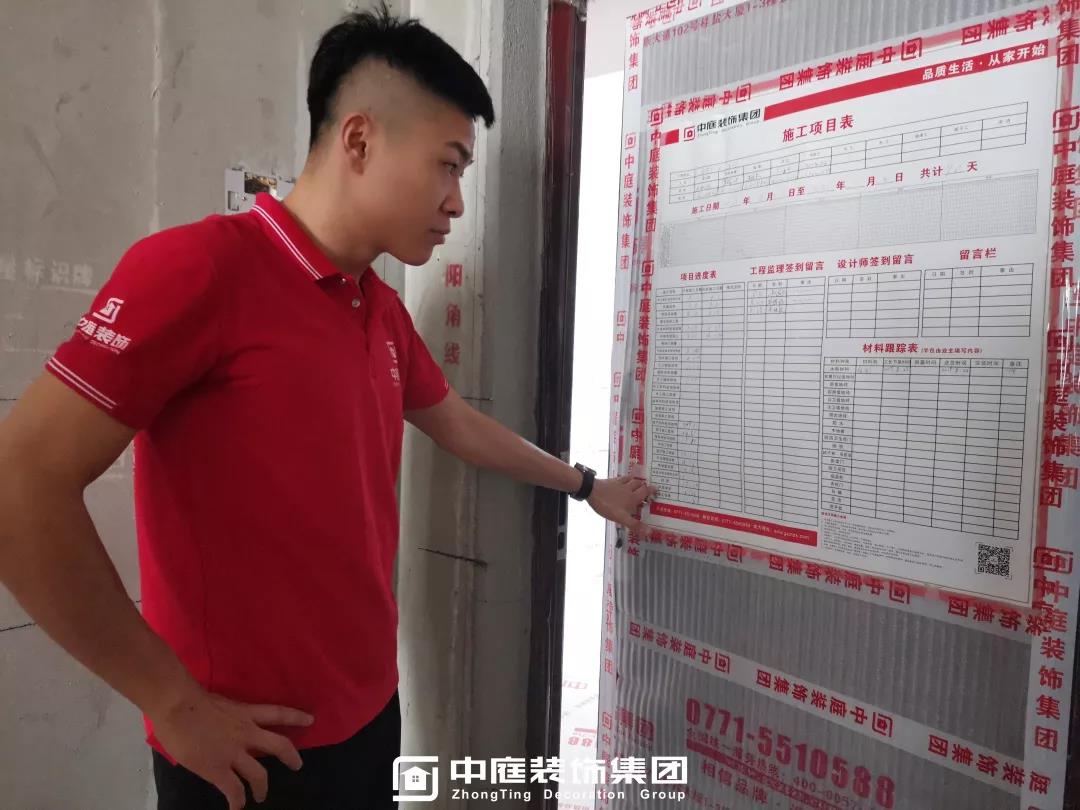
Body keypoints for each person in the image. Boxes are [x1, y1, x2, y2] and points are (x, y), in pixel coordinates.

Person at [0, 6, 654, 810]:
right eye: (448, 165)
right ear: (359, 140)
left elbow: (462, 427)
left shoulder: (379, 308)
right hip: (246, 753)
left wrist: (587, 486)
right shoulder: (199, 269)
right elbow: (19, 485)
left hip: (371, 718)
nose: (456, 202)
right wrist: (169, 701)